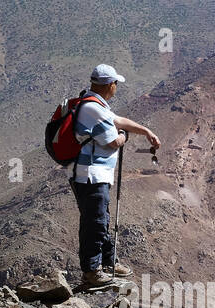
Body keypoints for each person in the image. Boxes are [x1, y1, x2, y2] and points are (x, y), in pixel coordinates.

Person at [69, 64, 161, 286]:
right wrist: (124, 137)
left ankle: (109, 262)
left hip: (93, 176)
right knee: (95, 223)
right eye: (116, 84)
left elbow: (117, 120)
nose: (116, 87)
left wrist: (146, 132)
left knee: (101, 220)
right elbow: (113, 141)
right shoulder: (94, 110)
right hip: (91, 176)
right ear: (110, 84)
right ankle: (91, 271)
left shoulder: (95, 105)